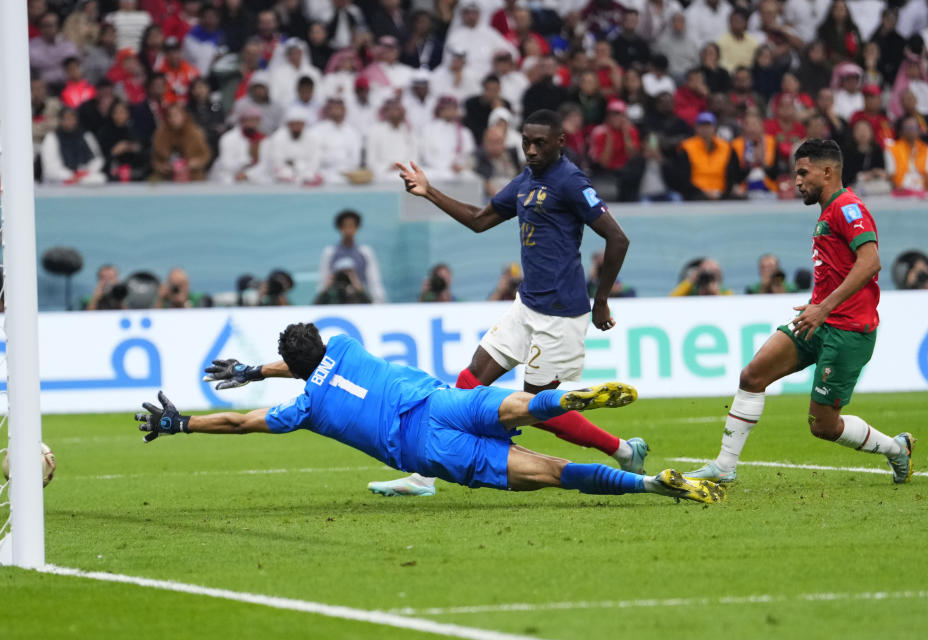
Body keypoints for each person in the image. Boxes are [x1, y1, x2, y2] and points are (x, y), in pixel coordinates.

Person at [375, 109, 647, 497]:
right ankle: (424, 477)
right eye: (526, 143)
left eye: (539, 144)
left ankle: (622, 449)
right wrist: (429, 190)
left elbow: (618, 239)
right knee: (468, 384)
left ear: (559, 143)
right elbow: (480, 219)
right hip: (526, 307)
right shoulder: (526, 179)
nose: (531, 151)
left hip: (561, 316)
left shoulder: (570, 181)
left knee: (536, 411)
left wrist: (601, 301)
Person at [145, 323, 723, 505]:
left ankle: (649, 485)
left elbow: (242, 422)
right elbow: (304, 361)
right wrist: (255, 368)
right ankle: (565, 397)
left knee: (545, 470)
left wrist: (182, 423)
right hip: (442, 399)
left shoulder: (305, 408)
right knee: (519, 405)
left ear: (291, 366)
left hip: (429, 449)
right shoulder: (345, 344)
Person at [687, 139, 915, 486]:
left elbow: (870, 263)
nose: (797, 181)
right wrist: (819, 305)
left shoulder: (848, 207)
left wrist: (824, 306)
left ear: (827, 171)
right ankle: (724, 466)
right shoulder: (828, 212)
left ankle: (896, 449)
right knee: (752, 376)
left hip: (848, 331)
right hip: (817, 321)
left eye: (803, 173)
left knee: (823, 426)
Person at [317, 210, 386, 304]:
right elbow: (322, 281)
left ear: (357, 227)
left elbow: (374, 282)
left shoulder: (365, 252)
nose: (348, 230)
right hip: (337, 301)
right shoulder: (330, 252)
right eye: (345, 226)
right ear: (339, 228)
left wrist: (378, 302)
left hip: (360, 300)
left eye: (352, 226)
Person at [40, 107, 106, 186]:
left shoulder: (86, 136)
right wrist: (70, 176)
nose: (70, 122)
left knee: (100, 178)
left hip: (83, 178)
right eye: (67, 119)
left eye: (73, 119)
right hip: (59, 180)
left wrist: (84, 172)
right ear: (60, 120)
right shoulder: (51, 138)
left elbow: (98, 159)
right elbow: (50, 168)